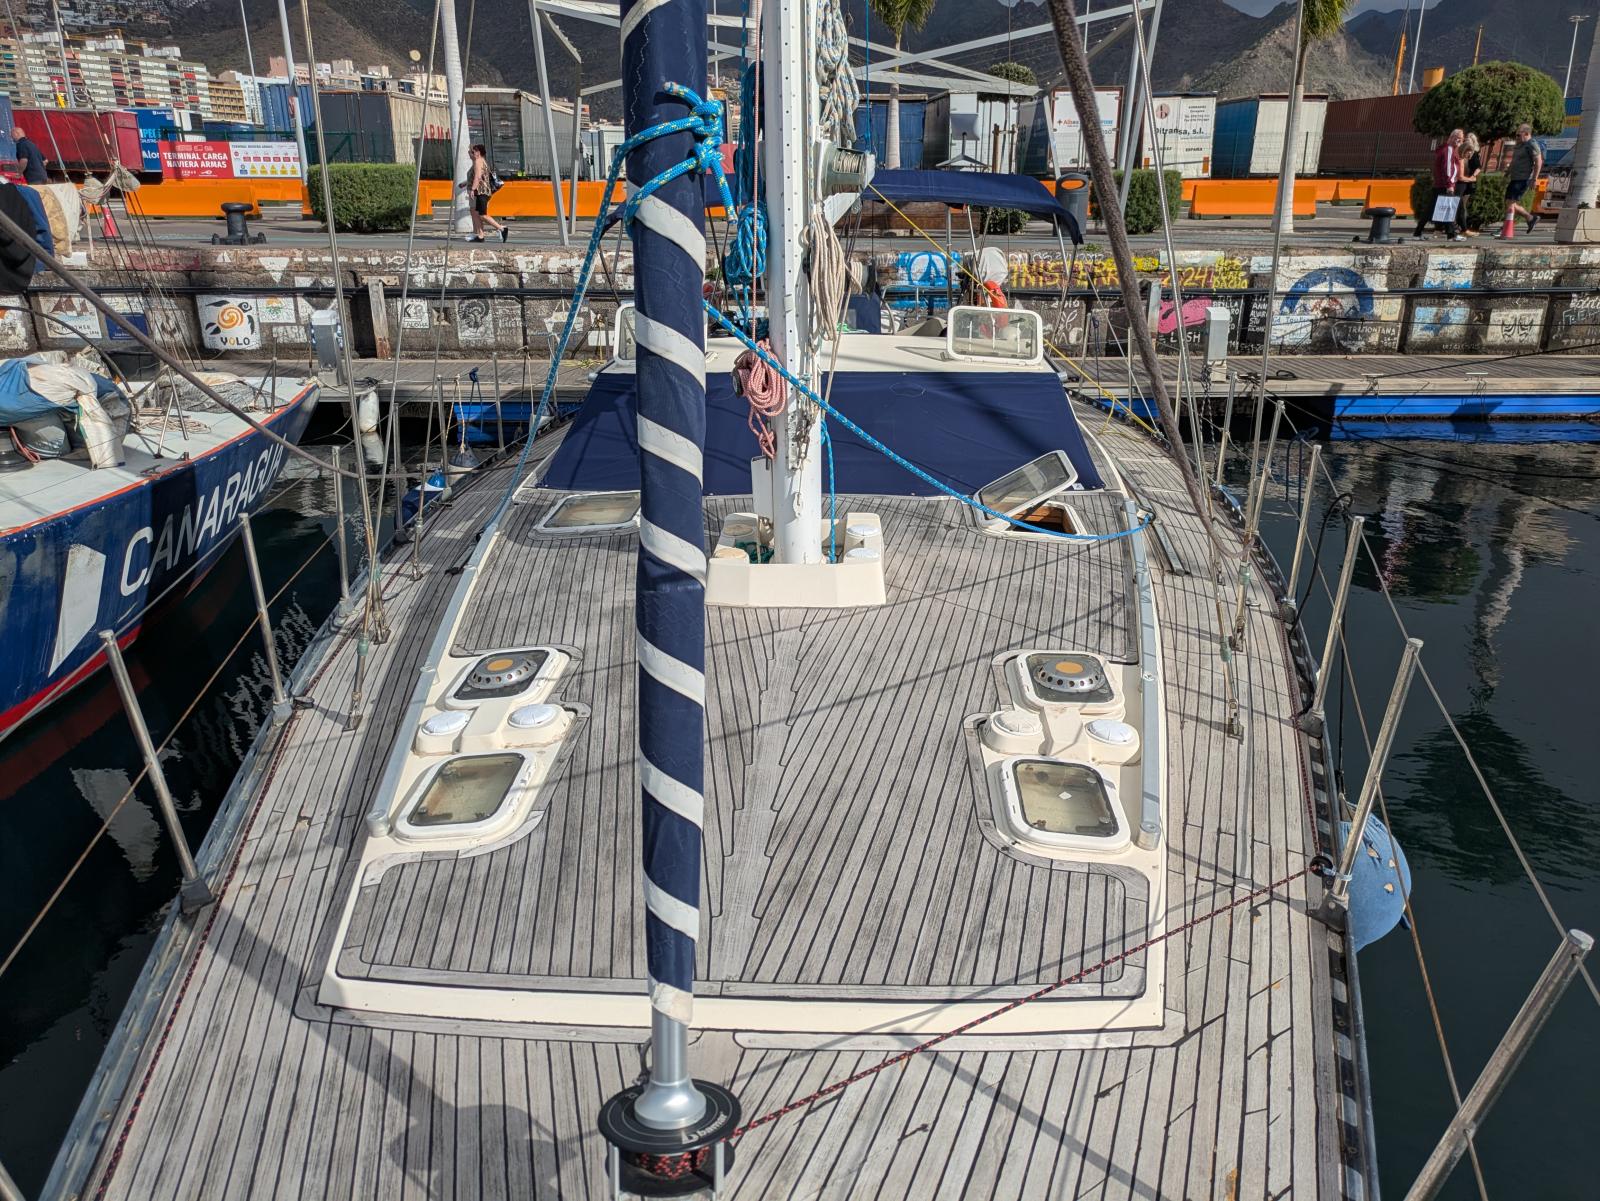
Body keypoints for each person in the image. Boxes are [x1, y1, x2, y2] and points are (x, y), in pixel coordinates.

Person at [1414, 128, 1463, 241]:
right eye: (1458, 139)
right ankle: (1451, 234)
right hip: (1445, 185)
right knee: (1448, 208)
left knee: (1431, 209)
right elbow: (1448, 168)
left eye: (1461, 139)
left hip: (1440, 184)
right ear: (1452, 138)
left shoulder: (1446, 149)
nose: (1460, 141)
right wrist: (1449, 184)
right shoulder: (1449, 149)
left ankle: (1418, 232)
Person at [460, 144, 508, 244]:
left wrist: (473, 189)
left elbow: (478, 176)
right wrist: (466, 184)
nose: (470, 154)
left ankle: (501, 228)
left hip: (481, 192)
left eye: (472, 152)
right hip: (482, 191)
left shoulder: (478, 161)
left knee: (482, 215)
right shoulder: (481, 161)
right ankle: (480, 235)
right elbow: (478, 176)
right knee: (478, 214)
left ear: (478, 153)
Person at [1504, 122, 1542, 236]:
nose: (1516, 137)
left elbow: (1538, 161)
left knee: (1511, 202)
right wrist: (1507, 173)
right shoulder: (1520, 145)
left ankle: (1506, 227)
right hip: (1515, 177)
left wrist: (1534, 179)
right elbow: (1514, 161)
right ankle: (1530, 218)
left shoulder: (1532, 144)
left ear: (1526, 134)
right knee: (1509, 202)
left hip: (1523, 178)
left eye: (1518, 135)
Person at [1457, 133, 1482, 235]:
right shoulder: (1461, 153)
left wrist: (1473, 177)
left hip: (1467, 181)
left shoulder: (1474, 154)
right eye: (1466, 139)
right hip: (1462, 180)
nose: (1467, 140)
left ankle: (1463, 226)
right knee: (1459, 205)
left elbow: (1478, 167)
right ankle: (1461, 226)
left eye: (1469, 139)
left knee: (1462, 205)